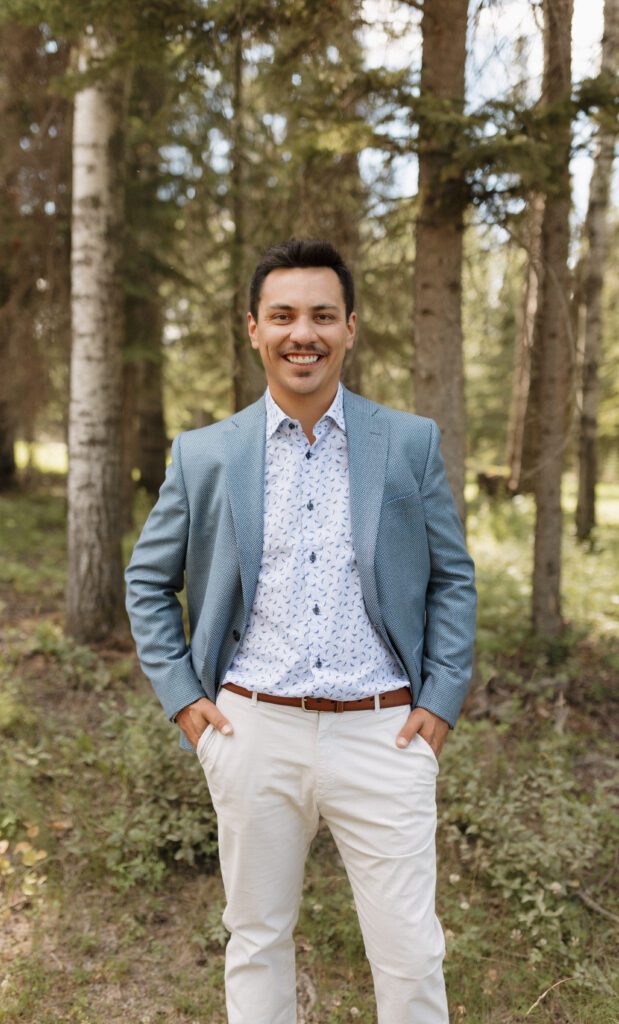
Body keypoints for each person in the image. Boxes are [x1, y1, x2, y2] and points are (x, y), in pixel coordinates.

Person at [124, 238, 477, 1024]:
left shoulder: (408, 443)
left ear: (350, 327)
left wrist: (440, 704)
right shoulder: (205, 454)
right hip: (253, 728)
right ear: (252, 328)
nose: (301, 333)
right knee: (255, 938)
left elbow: (452, 577)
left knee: (412, 952)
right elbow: (147, 580)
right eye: (282, 316)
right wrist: (188, 703)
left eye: (321, 315)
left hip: (384, 732)